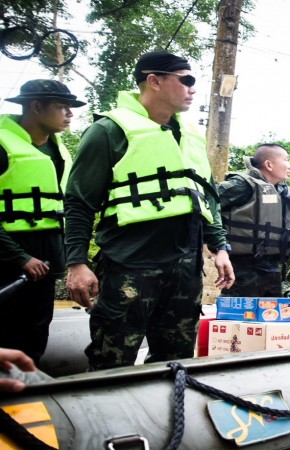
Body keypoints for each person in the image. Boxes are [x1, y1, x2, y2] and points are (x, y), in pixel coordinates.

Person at [64, 51, 235, 371]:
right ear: (154, 81)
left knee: (177, 364)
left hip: (185, 270)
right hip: (129, 266)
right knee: (110, 363)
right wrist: (76, 263)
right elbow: (78, 203)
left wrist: (220, 247)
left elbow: (206, 198)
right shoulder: (109, 131)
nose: (192, 88)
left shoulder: (191, 136)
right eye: (186, 80)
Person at [0, 79, 85, 364]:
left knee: (35, 333)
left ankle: (27, 386)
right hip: (8, 259)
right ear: (36, 106)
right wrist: (20, 257)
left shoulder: (59, 151)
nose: (70, 114)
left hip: (46, 260)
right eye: (62, 106)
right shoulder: (2, 144)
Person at [217, 143, 290, 297]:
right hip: (242, 269)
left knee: (272, 312)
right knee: (239, 313)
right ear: (269, 165)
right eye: (286, 160)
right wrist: (219, 245)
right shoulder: (242, 185)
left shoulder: (281, 190)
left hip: (272, 267)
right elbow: (207, 204)